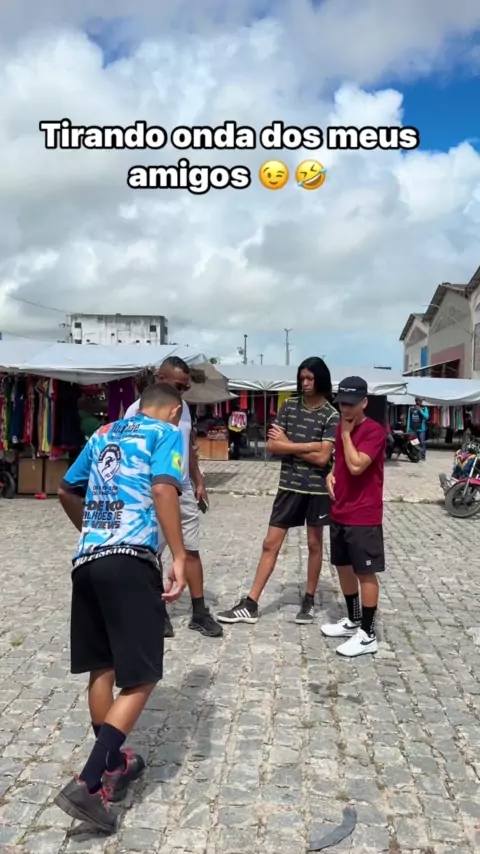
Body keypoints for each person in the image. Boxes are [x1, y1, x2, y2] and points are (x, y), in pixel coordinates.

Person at [54, 382, 187, 832]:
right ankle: (89, 783)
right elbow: (164, 490)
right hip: (131, 562)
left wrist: (95, 533)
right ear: (174, 411)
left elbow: (66, 490)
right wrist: (179, 556)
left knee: (103, 666)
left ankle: (114, 765)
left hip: (88, 561)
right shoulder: (165, 433)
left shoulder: (103, 432)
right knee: (143, 676)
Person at [217, 357, 339, 626]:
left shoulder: (331, 415)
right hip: (289, 486)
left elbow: (323, 458)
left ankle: (309, 599)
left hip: (317, 490)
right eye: (302, 378)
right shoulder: (289, 406)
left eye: (310, 378)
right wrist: (311, 446)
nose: (305, 383)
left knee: (314, 544)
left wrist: (290, 444)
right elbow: (273, 446)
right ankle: (251, 603)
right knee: (270, 543)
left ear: (321, 379)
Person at [125, 357, 223, 639]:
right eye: (179, 386)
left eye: (186, 387)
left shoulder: (183, 409)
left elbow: (187, 444)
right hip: (152, 489)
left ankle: (199, 612)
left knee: (191, 549)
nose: (183, 392)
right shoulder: (135, 411)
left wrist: (198, 478)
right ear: (161, 378)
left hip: (182, 486)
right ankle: (158, 611)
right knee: (152, 552)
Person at [321, 376, 386, 658]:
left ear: (364, 402)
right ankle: (353, 619)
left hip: (363, 513)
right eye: (342, 403)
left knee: (365, 572)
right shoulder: (340, 427)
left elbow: (358, 465)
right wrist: (331, 474)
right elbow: (341, 462)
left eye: (350, 403)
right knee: (343, 567)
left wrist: (347, 435)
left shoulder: (374, 431)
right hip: (340, 509)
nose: (345, 408)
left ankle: (368, 634)